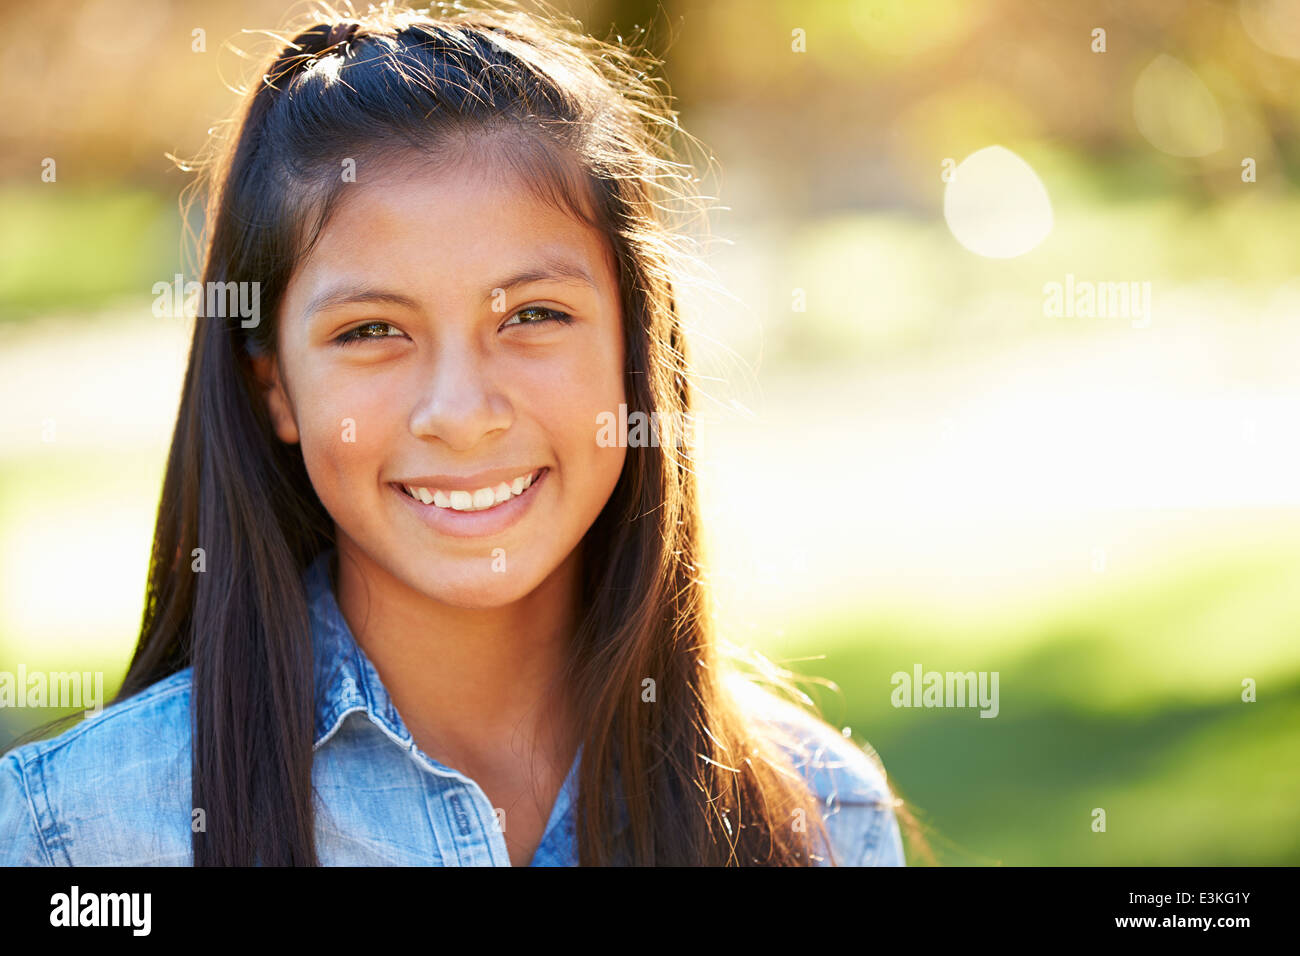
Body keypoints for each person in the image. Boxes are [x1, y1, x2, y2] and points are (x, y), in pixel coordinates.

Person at [0, 0, 909, 866]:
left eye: (534, 316)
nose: (464, 413)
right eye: (371, 332)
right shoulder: (77, 833)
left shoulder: (822, 816)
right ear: (274, 386)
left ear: (637, 350)